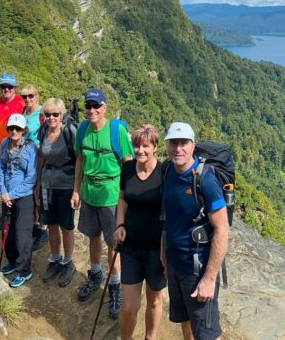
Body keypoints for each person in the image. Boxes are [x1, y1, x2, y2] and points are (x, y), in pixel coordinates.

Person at [160, 122, 229, 340]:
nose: (178, 148)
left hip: (197, 268)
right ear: (167, 145)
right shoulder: (168, 170)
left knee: (207, 334)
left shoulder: (205, 180)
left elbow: (222, 229)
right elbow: (169, 217)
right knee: (185, 320)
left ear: (193, 146)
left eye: (183, 143)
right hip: (175, 262)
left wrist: (209, 279)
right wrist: (165, 254)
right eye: (173, 143)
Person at [70, 88, 132, 316]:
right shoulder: (82, 129)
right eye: (89, 106)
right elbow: (79, 160)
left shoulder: (116, 131)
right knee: (92, 236)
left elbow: (128, 164)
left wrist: (128, 198)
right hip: (88, 193)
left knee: (113, 244)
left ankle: (114, 285)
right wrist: (76, 190)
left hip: (111, 196)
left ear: (105, 108)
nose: (92, 110)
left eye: (97, 106)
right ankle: (95, 274)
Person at [114, 125, 167, 336]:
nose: (140, 151)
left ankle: (149, 337)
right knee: (129, 306)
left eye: (145, 146)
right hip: (131, 246)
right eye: (137, 146)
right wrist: (119, 224)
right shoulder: (127, 169)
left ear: (155, 146)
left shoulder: (164, 172)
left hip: (156, 249)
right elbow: (122, 199)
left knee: (154, 301)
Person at [35, 97, 78, 287]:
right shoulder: (44, 130)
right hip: (47, 183)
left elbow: (79, 160)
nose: (51, 118)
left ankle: (68, 262)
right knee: (51, 223)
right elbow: (41, 158)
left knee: (66, 225)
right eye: (47, 114)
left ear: (62, 115)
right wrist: (37, 183)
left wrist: (77, 189)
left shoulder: (69, 132)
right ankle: (54, 259)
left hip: (66, 184)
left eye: (55, 114)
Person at [0, 114, 37, 287]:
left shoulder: (30, 148)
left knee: (23, 233)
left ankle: (24, 269)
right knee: (8, 231)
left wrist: (11, 195)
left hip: (24, 196)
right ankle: (12, 261)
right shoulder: (5, 144)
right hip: (7, 196)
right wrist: (4, 193)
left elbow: (31, 177)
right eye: (11, 128)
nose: (14, 131)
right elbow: (0, 168)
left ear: (23, 130)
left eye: (18, 129)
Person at [0, 73, 24, 231]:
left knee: (18, 180)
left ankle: (17, 215)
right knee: (3, 182)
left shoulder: (21, 102)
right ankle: (4, 215)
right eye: (3, 87)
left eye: (9, 87)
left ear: (15, 88)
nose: (6, 89)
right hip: (1, 150)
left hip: (19, 150)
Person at [19, 84, 49, 251]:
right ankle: (35, 225)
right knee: (31, 192)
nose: (28, 99)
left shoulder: (41, 114)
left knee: (39, 192)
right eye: (25, 97)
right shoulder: (24, 112)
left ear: (37, 96)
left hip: (40, 157)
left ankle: (43, 228)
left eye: (31, 96)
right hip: (27, 158)